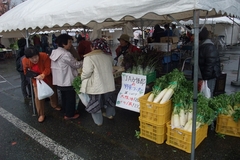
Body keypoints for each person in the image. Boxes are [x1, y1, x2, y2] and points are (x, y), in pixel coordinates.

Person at [80, 38, 115, 126]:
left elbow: (86, 73)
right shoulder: (108, 56)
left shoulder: (89, 58)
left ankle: (99, 122)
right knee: (109, 100)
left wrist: (82, 77)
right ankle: (110, 115)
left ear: (93, 47)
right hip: (109, 84)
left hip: (96, 85)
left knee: (95, 104)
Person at [22, 47, 61, 123]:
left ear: (38, 54)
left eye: (36, 57)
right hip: (36, 80)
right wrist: (34, 76)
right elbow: (25, 71)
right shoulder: (24, 60)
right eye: (32, 58)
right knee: (38, 97)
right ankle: (41, 114)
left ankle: (54, 105)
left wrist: (43, 75)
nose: (34, 59)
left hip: (47, 78)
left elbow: (48, 68)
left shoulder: (44, 56)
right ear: (28, 58)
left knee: (52, 91)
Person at [50, 34, 82, 120]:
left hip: (59, 80)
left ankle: (66, 111)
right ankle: (69, 115)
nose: (71, 44)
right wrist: (84, 62)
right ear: (63, 44)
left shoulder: (55, 52)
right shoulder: (65, 54)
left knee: (64, 97)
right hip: (67, 79)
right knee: (70, 98)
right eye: (70, 42)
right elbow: (76, 65)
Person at [198, 27, 221, 98]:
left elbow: (210, 65)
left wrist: (205, 79)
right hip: (206, 76)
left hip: (210, 77)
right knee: (204, 94)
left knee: (208, 94)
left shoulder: (209, 47)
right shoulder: (204, 46)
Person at [15, 38, 32, 104]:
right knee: (25, 81)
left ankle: (28, 94)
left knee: (26, 81)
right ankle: (26, 95)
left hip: (21, 68)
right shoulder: (22, 50)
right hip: (22, 68)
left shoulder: (20, 50)